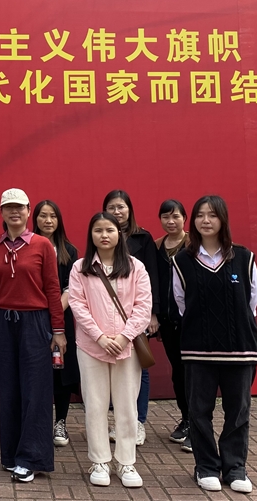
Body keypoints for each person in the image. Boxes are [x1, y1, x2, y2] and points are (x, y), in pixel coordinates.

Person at [172, 196, 257, 494]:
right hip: (198, 350)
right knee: (199, 411)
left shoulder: (245, 258)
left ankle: (235, 467)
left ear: (223, 219)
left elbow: (251, 304)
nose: (205, 220)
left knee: (238, 411)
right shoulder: (182, 261)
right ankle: (206, 466)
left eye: (212, 215)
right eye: (200, 215)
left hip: (240, 349)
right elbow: (182, 304)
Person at [0, 188, 65, 483]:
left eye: (19, 207)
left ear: (29, 211)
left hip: (35, 323)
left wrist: (58, 330)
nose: (14, 212)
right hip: (4, 322)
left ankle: (32, 458)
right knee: (9, 390)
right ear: (1, 213)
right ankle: (12, 455)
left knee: (36, 391)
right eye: (8, 208)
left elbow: (53, 288)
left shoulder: (42, 245)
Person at [68, 212, 152, 489]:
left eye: (109, 230)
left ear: (119, 234)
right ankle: (100, 461)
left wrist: (125, 336)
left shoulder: (136, 267)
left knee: (127, 405)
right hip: (91, 347)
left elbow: (143, 307)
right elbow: (78, 305)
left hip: (127, 348)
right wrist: (101, 338)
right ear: (91, 235)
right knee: (95, 405)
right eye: (98, 230)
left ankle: (126, 462)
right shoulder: (80, 268)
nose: (104, 235)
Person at [103, 190, 159, 446]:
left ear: (129, 210)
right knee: (114, 366)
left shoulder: (142, 238)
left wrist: (152, 314)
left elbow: (153, 277)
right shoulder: (101, 235)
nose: (117, 212)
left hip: (136, 313)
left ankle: (138, 422)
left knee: (138, 367)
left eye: (121, 207)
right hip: (108, 314)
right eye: (112, 207)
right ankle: (118, 420)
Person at [33, 200, 79, 448]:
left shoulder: (69, 251)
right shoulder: (27, 245)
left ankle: (60, 421)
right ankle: (37, 423)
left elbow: (70, 289)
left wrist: (53, 314)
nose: (48, 220)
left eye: (52, 216)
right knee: (37, 372)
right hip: (33, 320)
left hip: (61, 319)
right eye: (43, 215)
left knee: (61, 372)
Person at [155, 199, 192, 452]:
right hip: (168, 322)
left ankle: (197, 425)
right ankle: (186, 419)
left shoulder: (194, 244)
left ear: (184, 218)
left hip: (191, 322)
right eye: (166, 217)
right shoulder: (157, 246)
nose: (171, 221)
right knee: (178, 372)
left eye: (175, 216)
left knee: (193, 373)